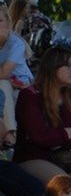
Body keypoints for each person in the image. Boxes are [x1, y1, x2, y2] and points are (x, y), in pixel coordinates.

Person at [14, 47, 71, 188]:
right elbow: (39, 137)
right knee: (67, 187)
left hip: (67, 158)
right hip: (34, 158)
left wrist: (57, 140)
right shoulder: (30, 95)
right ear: (52, 67)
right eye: (68, 66)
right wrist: (66, 133)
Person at [0, 8, 33, 146]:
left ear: (8, 23)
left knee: (3, 83)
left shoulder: (16, 44)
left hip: (22, 88)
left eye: (0, 20)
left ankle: (10, 135)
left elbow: (3, 73)